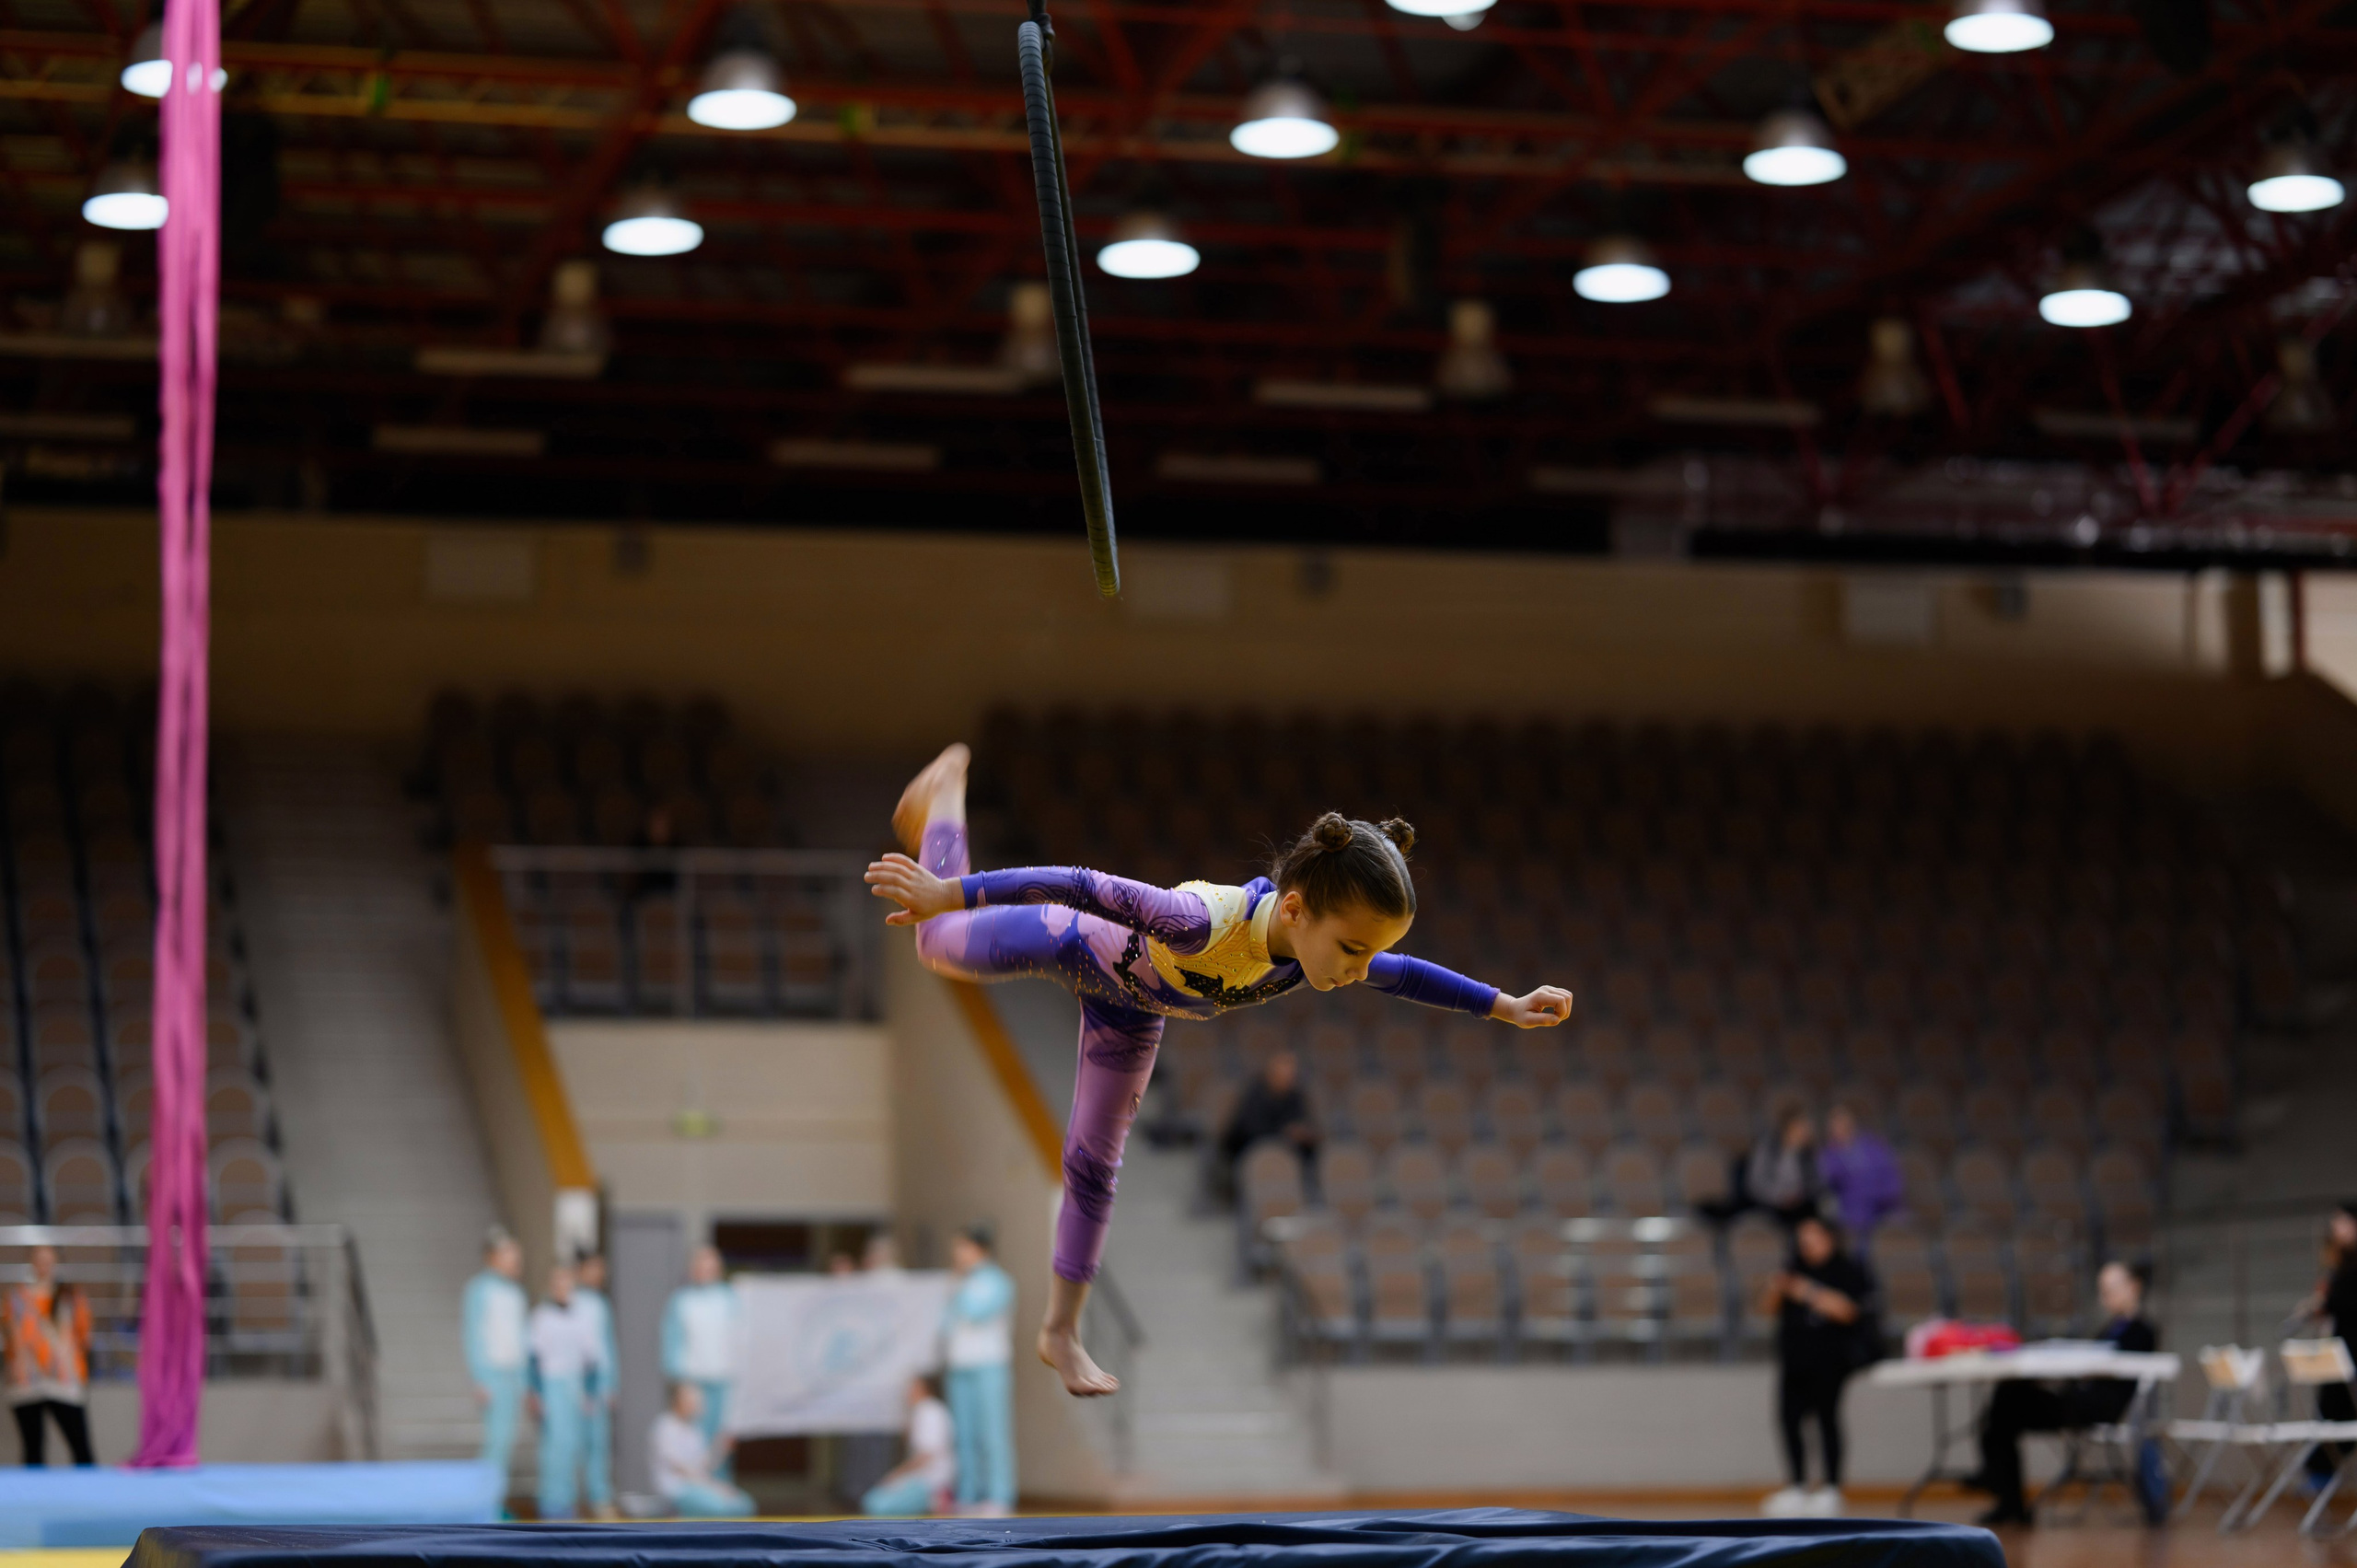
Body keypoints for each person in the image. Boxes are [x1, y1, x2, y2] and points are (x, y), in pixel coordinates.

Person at [868, 743, 1573, 1396]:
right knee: (938, 942)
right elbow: (1077, 884)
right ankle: (945, 797)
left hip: (1134, 1009)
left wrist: (1505, 1005)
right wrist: (953, 894)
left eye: (1367, 954)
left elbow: (1407, 973)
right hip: (1074, 940)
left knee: (1094, 1161)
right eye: (1353, 950)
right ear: (1295, 908)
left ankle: (1060, 1331)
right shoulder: (1199, 921)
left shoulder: (1305, 946)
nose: (1361, 970)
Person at [1971, 1259, 2159, 1527]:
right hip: (2078, 1399)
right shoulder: (2111, 1328)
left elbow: (2111, 1370)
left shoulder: (2142, 1331)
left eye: (2111, 1290)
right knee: (2006, 1400)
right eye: (2103, 1291)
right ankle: (2006, 1496)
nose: (2106, 1298)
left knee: (2006, 1402)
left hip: (2096, 1408)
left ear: (2134, 1287)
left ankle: (2001, 1490)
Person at [1759, 1214, 1875, 1519]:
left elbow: (1849, 1311)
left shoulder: (1846, 1270)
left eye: (1813, 1236)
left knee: (1827, 1420)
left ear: (1829, 1238)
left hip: (1830, 1360)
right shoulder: (1793, 1268)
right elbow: (1768, 1309)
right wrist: (1777, 1288)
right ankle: (1796, 1486)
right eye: (1802, 1238)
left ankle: (1831, 1488)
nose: (1807, 1243)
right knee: (1789, 1421)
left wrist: (1806, 1291)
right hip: (1794, 1359)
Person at [942, 1225, 1017, 1516]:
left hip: (989, 1364)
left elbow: (974, 1312)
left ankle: (999, 1494)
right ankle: (969, 1493)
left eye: (962, 1247)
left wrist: (958, 1288)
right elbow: (944, 1324)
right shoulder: (957, 1281)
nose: (957, 1253)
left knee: (992, 1432)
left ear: (979, 1248)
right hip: (959, 1365)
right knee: (964, 1434)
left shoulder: (998, 1281)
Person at [526, 1261, 605, 1521]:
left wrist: (590, 1392)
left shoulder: (583, 1316)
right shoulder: (541, 1316)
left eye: (566, 1280)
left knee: (573, 1446)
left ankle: (568, 1502)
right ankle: (552, 1503)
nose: (562, 1286)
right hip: (552, 1385)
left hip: (575, 1385)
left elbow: (592, 1358)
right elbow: (533, 1357)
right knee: (554, 1448)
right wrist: (535, 1392)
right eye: (557, 1281)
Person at [5, 1244, 94, 1466]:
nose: (43, 1265)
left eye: (48, 1259)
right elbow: (10, 1338)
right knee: (33, 1450)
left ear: (56, 1262)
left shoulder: (71, 1297)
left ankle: (89, 1488)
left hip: (64, 1379)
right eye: (39, 1259)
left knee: (81, 1449)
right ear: (31, 1262)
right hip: (27, 1381)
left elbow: (85, 1337)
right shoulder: (15, 1299)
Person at [661, 1245, 738, 1463]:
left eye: (709, 1265)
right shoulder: (682, 1300)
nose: (705, 1270)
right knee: (693, 1445)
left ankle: (719, 1484)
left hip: (724, 1381)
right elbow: (672, 1341)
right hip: (694, 1382)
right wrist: (680, 1382)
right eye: (700, 1264)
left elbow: (741, 1342)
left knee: (721, 1446)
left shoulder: (730, 1299)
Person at [2297, 1201, 2357, 1485]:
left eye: (2341, 1223)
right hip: (2338, 1353)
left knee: (2338, 1419)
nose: (2335, 1229)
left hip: (2351, 1353)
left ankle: (2319, 1479)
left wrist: (2325, 1302)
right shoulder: (2338, 1266)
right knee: (2330, 1419)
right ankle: (2318, 1479)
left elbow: (2342, 1302)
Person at [462, 1228, 528, 1481]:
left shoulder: (516, 1293)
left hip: (513, 1374)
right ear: (492, 1257)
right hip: (492, 1374)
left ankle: (494, 1492)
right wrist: (480, 1378)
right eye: (508, 1253)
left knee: (507, 1439)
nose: (514, 1260)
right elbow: (473, 1334)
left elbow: (521, 1338)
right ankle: (485, 1494)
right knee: (497, 1439)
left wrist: (523, 1380)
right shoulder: (479, 1290)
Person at [652, 1382, 756, 1517]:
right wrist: (713, 1487)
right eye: (693, 1399)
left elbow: (705, 1466)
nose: (698, 1404)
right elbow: (681, 1469)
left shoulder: (694, 1430)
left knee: (744, 1505)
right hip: (678, 1489)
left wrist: (722, 1449)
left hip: (701, 1485)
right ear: (679, 1400)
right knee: (719, 1508)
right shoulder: (665, 1426)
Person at [1217, 1051, 1318, 1188]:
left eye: (1292, 1074)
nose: (1290, 1078)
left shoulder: (1295, 1096)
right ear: (1272, 1073)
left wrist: (1303, 1133)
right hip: (1247, 1148)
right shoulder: (1255, 1093)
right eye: (1285, 1073)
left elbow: (1303, 1123)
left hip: (1284, 1148)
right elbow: (1250, 1129)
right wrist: (1285, 1132)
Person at [861, 1374, 956, 1516]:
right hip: (922, 1478)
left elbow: (926, 1456)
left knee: (875, 1504)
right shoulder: (922, 1411)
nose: (907, 1392)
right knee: (874, 1499)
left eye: (912, 1387)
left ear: (923, 1388)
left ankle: (934, 1500)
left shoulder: (929, 1411)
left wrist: (896, 1475)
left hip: (930, 1481)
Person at [574, 1252, 621, 1520]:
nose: (598, 1274)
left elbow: (608, 1347)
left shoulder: (601, 1304)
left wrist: (611, 1384)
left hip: (600, 1384)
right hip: (575, 1383)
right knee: (574, 1443)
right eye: (593, 1268)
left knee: (599, 1444)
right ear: (581, 1270)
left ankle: (600, 1497)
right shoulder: (571, 1301)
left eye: (601, 1270)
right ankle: (572, 1499)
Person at [1817, 1104, 1902, 1247]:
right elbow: (1827, 1182)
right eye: (1834, 1125)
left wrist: (1880, 1197)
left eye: (1842, 1123)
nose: (1839, 1128)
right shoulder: (1829, 1155)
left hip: (1882, 1208)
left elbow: (1892, 1181)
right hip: (1849, 1212)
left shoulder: (1874, 1147)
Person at [1740, 1109, 1821, 1227]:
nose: (1805, 1131)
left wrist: (1799, 1196)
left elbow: (1816, 1184)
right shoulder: (1767, 1148)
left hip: (1799, 1207)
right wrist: (1779, 1198)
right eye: (1800, 1126)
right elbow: (1755, 1183)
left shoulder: (1809, 1154)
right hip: (1769, 1205)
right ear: (1788, 1127)